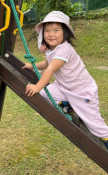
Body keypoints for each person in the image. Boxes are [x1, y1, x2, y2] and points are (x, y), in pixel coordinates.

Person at [23, 11, 108, 150]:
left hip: (82, 91)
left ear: (65, 33)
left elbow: (50, 69)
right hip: (64, 87)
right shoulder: (52, 50)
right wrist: (32, 66)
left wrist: (37, 86)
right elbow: (46, 64)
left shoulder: (64, 49)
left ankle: (106, 136)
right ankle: (69, 108)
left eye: (56, 30)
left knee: (94, 125)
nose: (51, 34)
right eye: (47, 31)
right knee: (46, 94)